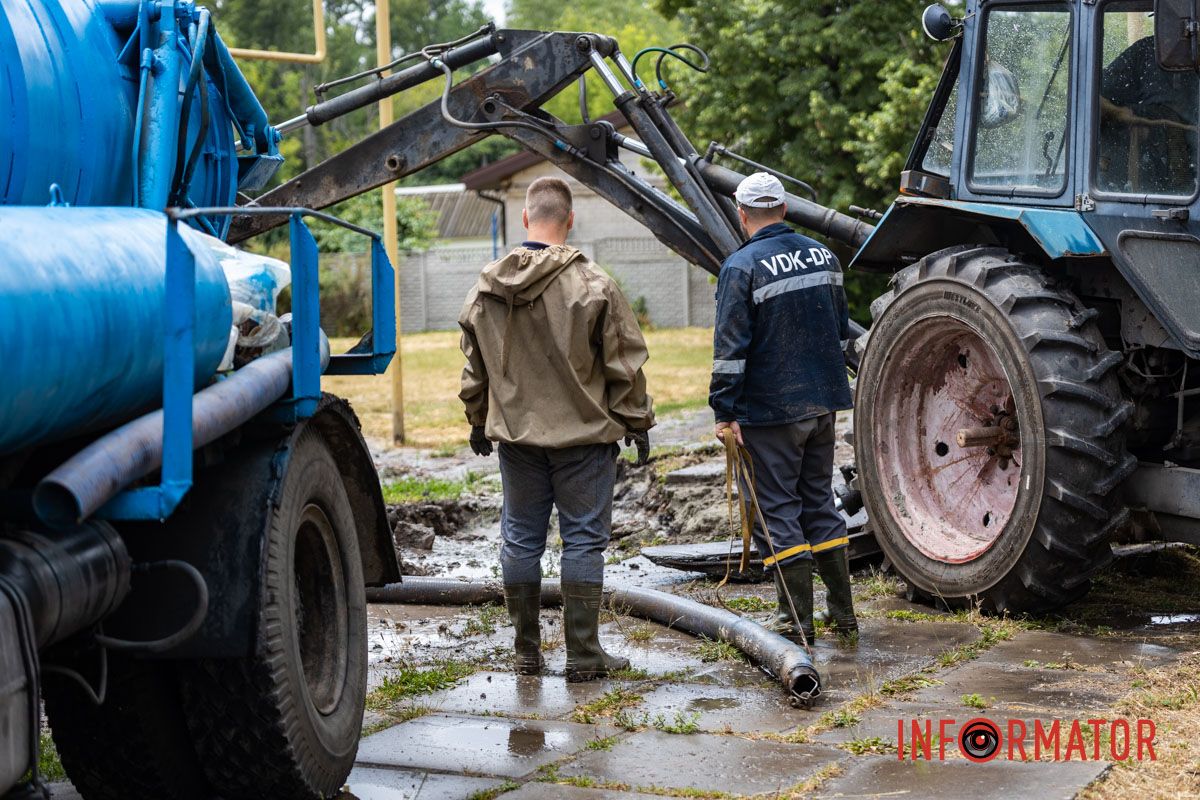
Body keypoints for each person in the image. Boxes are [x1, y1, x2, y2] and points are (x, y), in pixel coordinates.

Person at [458, 176, 655, 681]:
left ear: (526, 218)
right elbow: (623, 364)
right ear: (570, 220)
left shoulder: (485, 288)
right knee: (584, 541)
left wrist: (478, 421)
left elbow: (475, 370)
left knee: (521, 540)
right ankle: (584, 655)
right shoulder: (593, 283)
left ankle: (526, 651)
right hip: (584, 441)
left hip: (517, 441)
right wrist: (637, 423)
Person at [709, 172, 857, 644]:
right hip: (822, 404)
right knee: (819, 502)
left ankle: (796, 623)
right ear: (785, 208)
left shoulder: (741, 267)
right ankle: (844, 615)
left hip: (771, 412)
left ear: (741, 213)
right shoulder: (825, 256)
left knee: (777, 510)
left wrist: (724, 411)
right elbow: (839, 331)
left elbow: (730, 352)